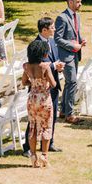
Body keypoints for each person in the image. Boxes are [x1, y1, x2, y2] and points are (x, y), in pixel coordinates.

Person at [23, 17, 65, 157]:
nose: (54, 29)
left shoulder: (52, 41)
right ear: (44, 29)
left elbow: (53, 60)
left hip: (51, 86)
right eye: (52, 27)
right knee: (34, 120)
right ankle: (27, 147)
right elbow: (36, 64)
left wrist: (57, 66)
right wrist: (53, 66)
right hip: (40, 89)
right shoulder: (35, 44)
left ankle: (49, 143)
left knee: (51, 119)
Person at [22, 40, 57, 168]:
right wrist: (45, 83)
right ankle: (44, 155)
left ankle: (33, 155)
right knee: (46, 127)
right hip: (44, 99)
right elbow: (53, 84)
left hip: (32, 99)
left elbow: (24, 82)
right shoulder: (45, 66)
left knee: (32, 126)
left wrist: (33, 83)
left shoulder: (26, 66)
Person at [55, 0, 86, 124]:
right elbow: (57, 39)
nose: (80, 4)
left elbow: (76, 33)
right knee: (72, 82)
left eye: (80, 2)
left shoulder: (77, 16)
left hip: (75, 54)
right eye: (78, 2)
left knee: (69, 83)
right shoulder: (62, 18)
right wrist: (73, 46)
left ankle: (63, 110)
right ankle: (70, 114)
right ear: (71, 2)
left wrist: (81, 40)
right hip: (66, 55)